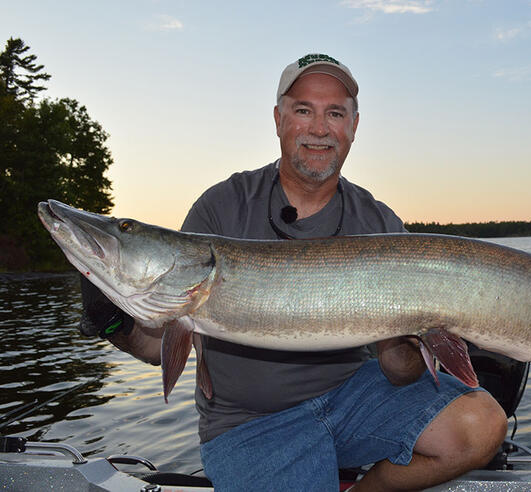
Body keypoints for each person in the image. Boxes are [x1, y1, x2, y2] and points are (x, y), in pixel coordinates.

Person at [80, 53, 508, 491]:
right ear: (279, 120)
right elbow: (158, 345)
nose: (319, 128)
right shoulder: (222, 206)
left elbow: (399, 372)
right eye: (303, 110)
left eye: (335, 113)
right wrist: (112, 318)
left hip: (353, 398)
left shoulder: (378, 222)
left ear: (354, 127)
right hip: (249, 423)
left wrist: (414, 339)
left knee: (481, 424)